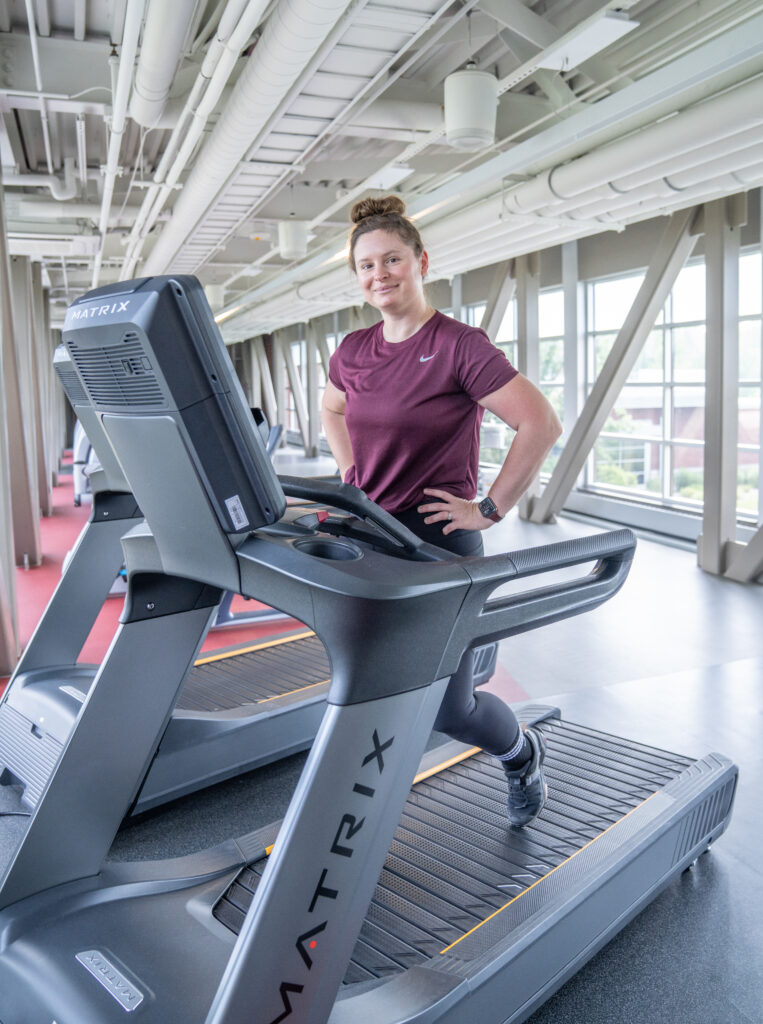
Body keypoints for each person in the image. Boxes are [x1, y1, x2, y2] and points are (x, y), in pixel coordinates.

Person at [321, 195, 562, 828]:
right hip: (372, 541)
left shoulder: (458, 345)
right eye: (367, 266)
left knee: (450, 711)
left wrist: (489, 507)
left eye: (393, 260)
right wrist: (351, 472)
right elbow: (333, 408)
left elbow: (539, 422)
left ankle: (520, 752)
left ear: (421, 261)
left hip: (438, 546)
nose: (380, 276)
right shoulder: (351, 350)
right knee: (369, 686)